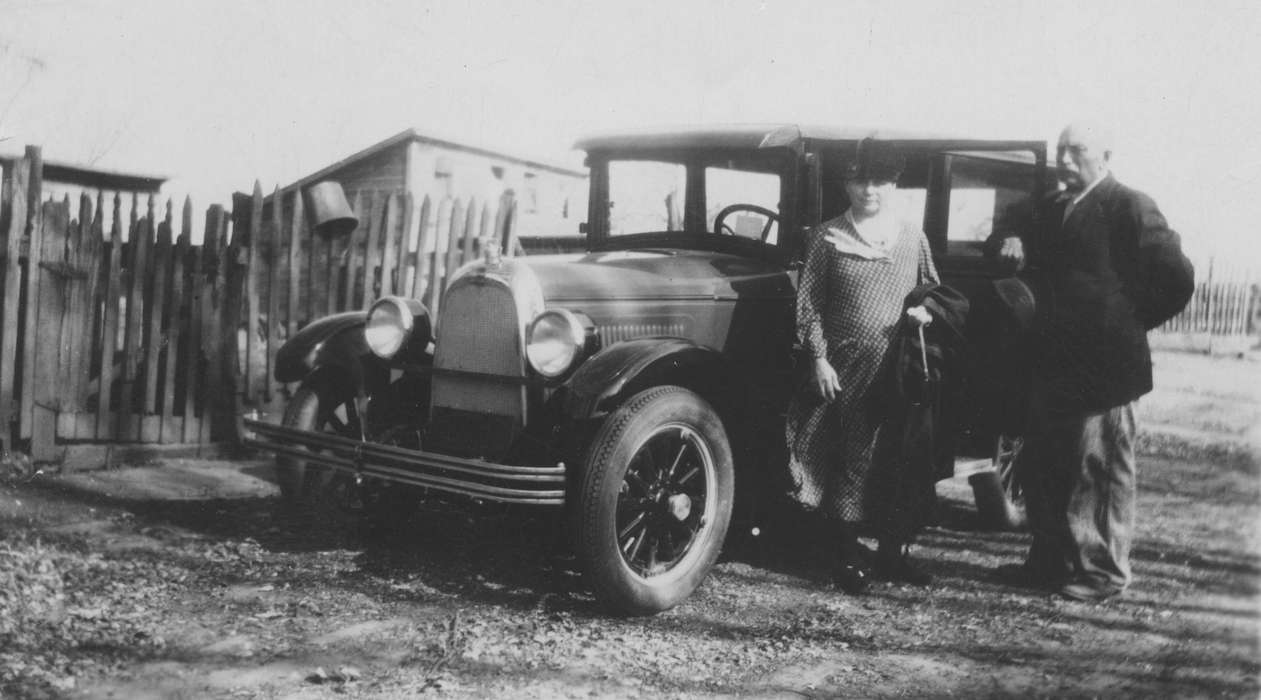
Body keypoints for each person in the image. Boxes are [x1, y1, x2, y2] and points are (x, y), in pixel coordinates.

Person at [991, 122, 1194, 601]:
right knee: (1046, 464)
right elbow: (1008, 225)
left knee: (1097, 469)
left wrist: (1126, 320)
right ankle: (1049, 562)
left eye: (1076, 150)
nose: (1064, 158)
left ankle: (1103, 573)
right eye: (1061, 149)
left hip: (1105, 368)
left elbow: (1177, 277)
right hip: (1053, 364)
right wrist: (1011, 236)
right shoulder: (1051, 207)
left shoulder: (1129, 205)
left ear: (1105, 154)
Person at [785, 139, 940, 594]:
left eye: (880, 180)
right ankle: (848, 556)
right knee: (853, 454)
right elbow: (809, 304)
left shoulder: (912, 236)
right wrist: (818, 358)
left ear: (893, 184)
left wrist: (925, 311)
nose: (869, 189)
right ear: (845, 183)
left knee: (897, 456)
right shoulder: (825, 237)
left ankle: (893, 555)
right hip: (845, 368)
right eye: (859, 178)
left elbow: (931, 288)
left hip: (899, 368)